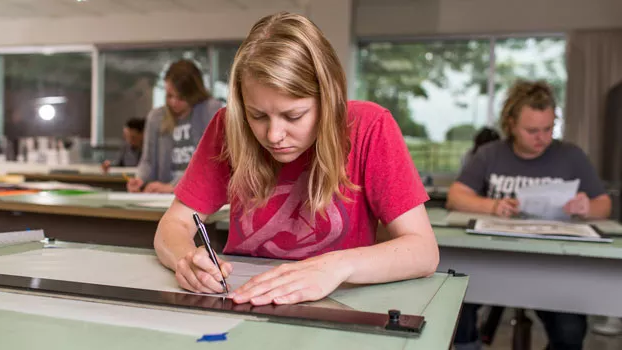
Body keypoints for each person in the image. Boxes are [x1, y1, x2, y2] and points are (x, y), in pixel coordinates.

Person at [153, 12, 439, 305]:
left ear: (328, 100)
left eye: (294, 115)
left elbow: (423, 251)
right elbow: (173, 225)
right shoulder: (229, 126)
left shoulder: (370, 126)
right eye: (258, 115)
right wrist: (185, 258)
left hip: (338, 306)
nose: (274, 135)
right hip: (243, 299)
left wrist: (337, 267)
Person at [447, 80, 612, 350]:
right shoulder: (490, 154)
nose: (542, 138)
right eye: (532, 130)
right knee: (456, 305)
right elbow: (456, 196)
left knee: (570, 330)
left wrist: (587, 208)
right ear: (510, 124)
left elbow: (603, 205)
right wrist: (492, 206)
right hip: (491, 262)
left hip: (553, 266)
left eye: (548, 129)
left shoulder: (571, 156)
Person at [127, 59, 223, 193]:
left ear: (194, 94)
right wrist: (140, 179)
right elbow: (148, 161)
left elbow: (210, 162)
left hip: (199, 195)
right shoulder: (156, 118)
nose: (174, 102)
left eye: (181, 98)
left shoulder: (210, 111)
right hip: (164, 198)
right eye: (170, 96)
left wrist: (172, 187)